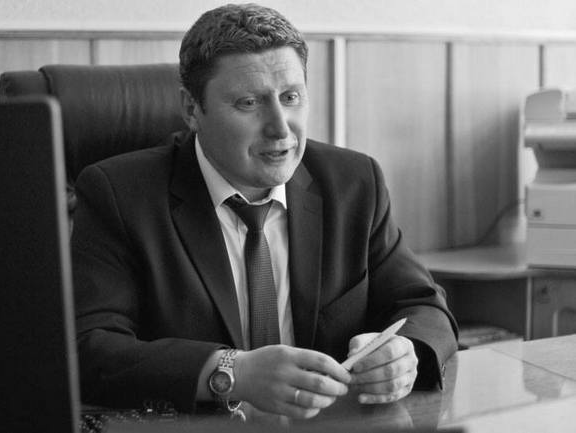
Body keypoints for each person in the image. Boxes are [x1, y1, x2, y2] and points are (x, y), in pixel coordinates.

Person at [72, 3, 458, 420]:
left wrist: (404, 353)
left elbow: (424, 305)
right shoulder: (120, 195)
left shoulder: (353, 183)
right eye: (249, 103)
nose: (280, 127)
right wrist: (231, 371)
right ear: (191, 109)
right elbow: (89, 348)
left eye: (291, 98)